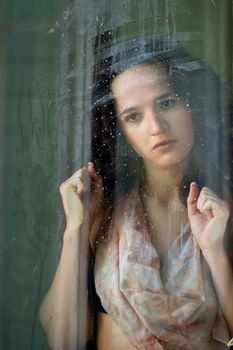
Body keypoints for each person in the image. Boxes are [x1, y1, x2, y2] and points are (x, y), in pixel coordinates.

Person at [40, 37, 233, 350]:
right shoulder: (104, 207)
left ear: (191, 105)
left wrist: (216, 253)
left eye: (167, 102)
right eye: (134, 116)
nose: (156, 126)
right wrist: (75, 230)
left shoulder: (222, 205)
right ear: (121, 132)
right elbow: (63, 340)